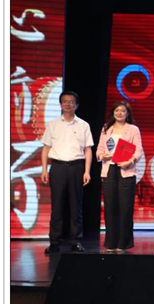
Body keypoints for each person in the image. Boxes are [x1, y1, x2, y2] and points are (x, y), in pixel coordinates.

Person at [40, 91, 94, 253]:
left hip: (77, 167)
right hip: (58, 167)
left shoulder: (83, 125)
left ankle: (76, 241)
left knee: (76, 206)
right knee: (57, 206)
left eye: (71, 102)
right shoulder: (53, 124)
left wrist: (87, 171)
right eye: (65, 101)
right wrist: (44, 169)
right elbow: (46, 148)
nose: (68, 104)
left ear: (76, 105)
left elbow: (88, 150)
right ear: (60, 104)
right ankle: (54, 242)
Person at [96, 101, 143, 253]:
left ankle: (123, 243)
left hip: (126, 170)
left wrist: (130, 161)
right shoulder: (106, 128)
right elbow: (99, 150)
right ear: (113, 113)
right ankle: (111, 243)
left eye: (123, 110)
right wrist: (102, 156)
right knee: (110, 208)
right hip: (109, 170)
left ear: (127, 114)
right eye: (117, 110)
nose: (120, 113)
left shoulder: (133, 129)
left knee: (125, 208)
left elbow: (138, 150)